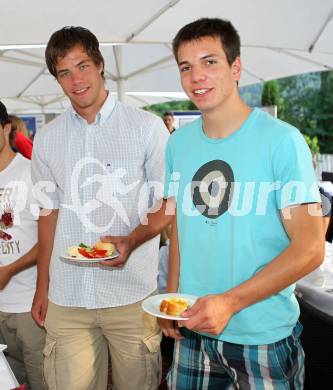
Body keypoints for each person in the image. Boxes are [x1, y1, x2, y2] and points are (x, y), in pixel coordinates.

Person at [161, 18, 324, 389]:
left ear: (236, 67)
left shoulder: (283, 141)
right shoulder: (177, 146)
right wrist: (171, 301)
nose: (197, 76)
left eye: (209, 62)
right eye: (186, 67)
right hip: (194, 330)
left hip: (261, 335)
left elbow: (311, 248)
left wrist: (230, 302)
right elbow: (180, 231)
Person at [30, 26, 172, 390]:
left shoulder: (147, 128)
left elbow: (166, 206)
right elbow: (48, 212)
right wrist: (42, 285)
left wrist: (131, 240)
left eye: (82, 66)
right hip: (68, 295)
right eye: (65, 72)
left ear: (100, 65)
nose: (76, 80)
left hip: (130, 294)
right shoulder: (46, 139)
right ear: (57, 80)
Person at [0, 101, 45, 390]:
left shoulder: (31, 174)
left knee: (44, 381)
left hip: (29, 306)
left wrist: (10, 269)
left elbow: (51, 241)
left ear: (7, 129)